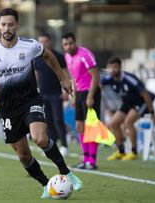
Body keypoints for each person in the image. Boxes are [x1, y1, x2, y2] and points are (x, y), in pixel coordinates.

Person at [0, 8, 82, 199]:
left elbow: (49, 56)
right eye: (3, 25)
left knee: (40, 138)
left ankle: (66, 172)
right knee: (23, 155)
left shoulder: (29, 45)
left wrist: (63, 79)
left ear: (16, 25)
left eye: (10, 24)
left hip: (30, 99)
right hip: (8, 107)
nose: (6, 28)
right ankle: (45, 185)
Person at [101, 56, 155, 161]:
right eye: (110, 67)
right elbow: (97, 85)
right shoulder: (109, 78)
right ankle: (121, 152)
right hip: (127, 103)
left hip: (141, 102)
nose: (112, 70)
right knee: (113, 123)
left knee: (128, 122)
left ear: (120, 67)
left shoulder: (129, 78)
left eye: (115, 67)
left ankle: (134, 152)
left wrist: (153, 113)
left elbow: (145, 95)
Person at [61, 32, 101, 170]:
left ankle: (92, 161)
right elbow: (74, 78)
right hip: (79, 93)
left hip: (91, 92)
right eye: (65, 44)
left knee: (92, 128)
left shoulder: (85, 54)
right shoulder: (67, 56)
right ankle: (85, 160)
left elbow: (96, 76)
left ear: (75, 42)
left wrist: (90, 96)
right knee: (79, 127)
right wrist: (75, 96)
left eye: (71, 43)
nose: (68, 46)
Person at [34, 33, 69, 157]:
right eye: (40, 41)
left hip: (56, 94)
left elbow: (65, 73)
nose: (43, 44)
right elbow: (37, 75)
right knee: (47, 121)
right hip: (43, 94)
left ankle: (64, 145)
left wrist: (65, 90)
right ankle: (52, 145)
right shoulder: (37, 57)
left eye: (45, 41)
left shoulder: (58, 56)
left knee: (58, 119)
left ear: (50, 42)